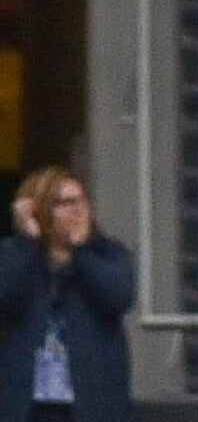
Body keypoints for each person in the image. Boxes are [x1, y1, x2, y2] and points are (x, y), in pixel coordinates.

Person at [0, 168, 133, 422]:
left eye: (82, 201)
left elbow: (117, 299)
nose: (78, 209)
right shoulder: (15, 253)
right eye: (66, 202)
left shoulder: (108, 253)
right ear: (41, 209)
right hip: (28, 403)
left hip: (90, 402)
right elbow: (6, 293)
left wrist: (82, 250)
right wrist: (28, 241)